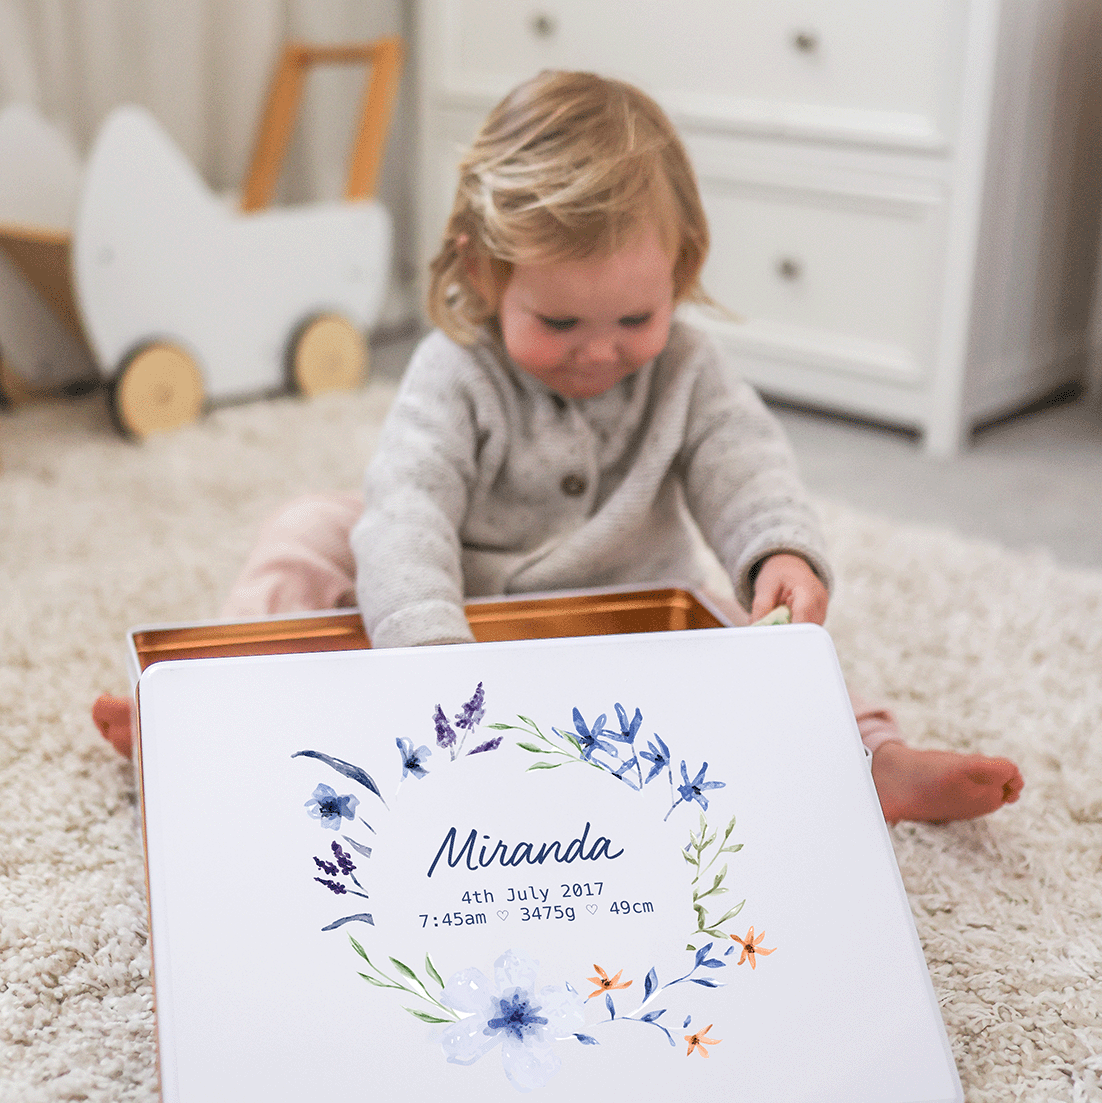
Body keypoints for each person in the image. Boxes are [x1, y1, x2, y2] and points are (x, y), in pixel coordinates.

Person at [94, 70, 1023, 825]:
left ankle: (872, 759)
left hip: (631, 611)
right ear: (481, 271)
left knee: (773, 645)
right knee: (313, 529)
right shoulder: (454, 367)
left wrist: (780, 550)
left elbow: (744, 463)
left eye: (635, 317)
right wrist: (432, 655)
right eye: (559, 321)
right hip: (461, 602)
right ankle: (206, 707)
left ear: (681, 271)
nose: (599, 351)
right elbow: (410, 508)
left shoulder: (689, 368)